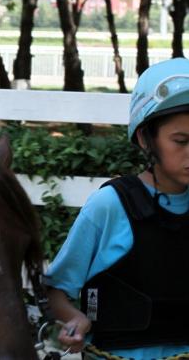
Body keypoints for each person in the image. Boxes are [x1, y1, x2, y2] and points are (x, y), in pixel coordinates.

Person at [45, 57, 189, 359]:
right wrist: (74, 318)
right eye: (181, 141)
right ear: (145, 139)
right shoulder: (110, 206)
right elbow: (56, 289)